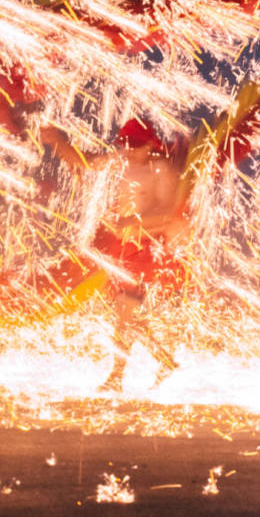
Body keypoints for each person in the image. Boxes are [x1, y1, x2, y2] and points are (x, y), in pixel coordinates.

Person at [39, 118, 189, 391]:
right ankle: (165, 361)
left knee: (124, 312)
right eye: (126, 143)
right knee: (126, 316)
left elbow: (170, 214)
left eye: (136, 144)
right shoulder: (121, 160)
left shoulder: (160, 170)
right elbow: (85, 163)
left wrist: (134, 223)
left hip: (147, 249)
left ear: (150, 144)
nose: (130, 149)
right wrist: (59, 142)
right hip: (121, 248)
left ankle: (116, 377)